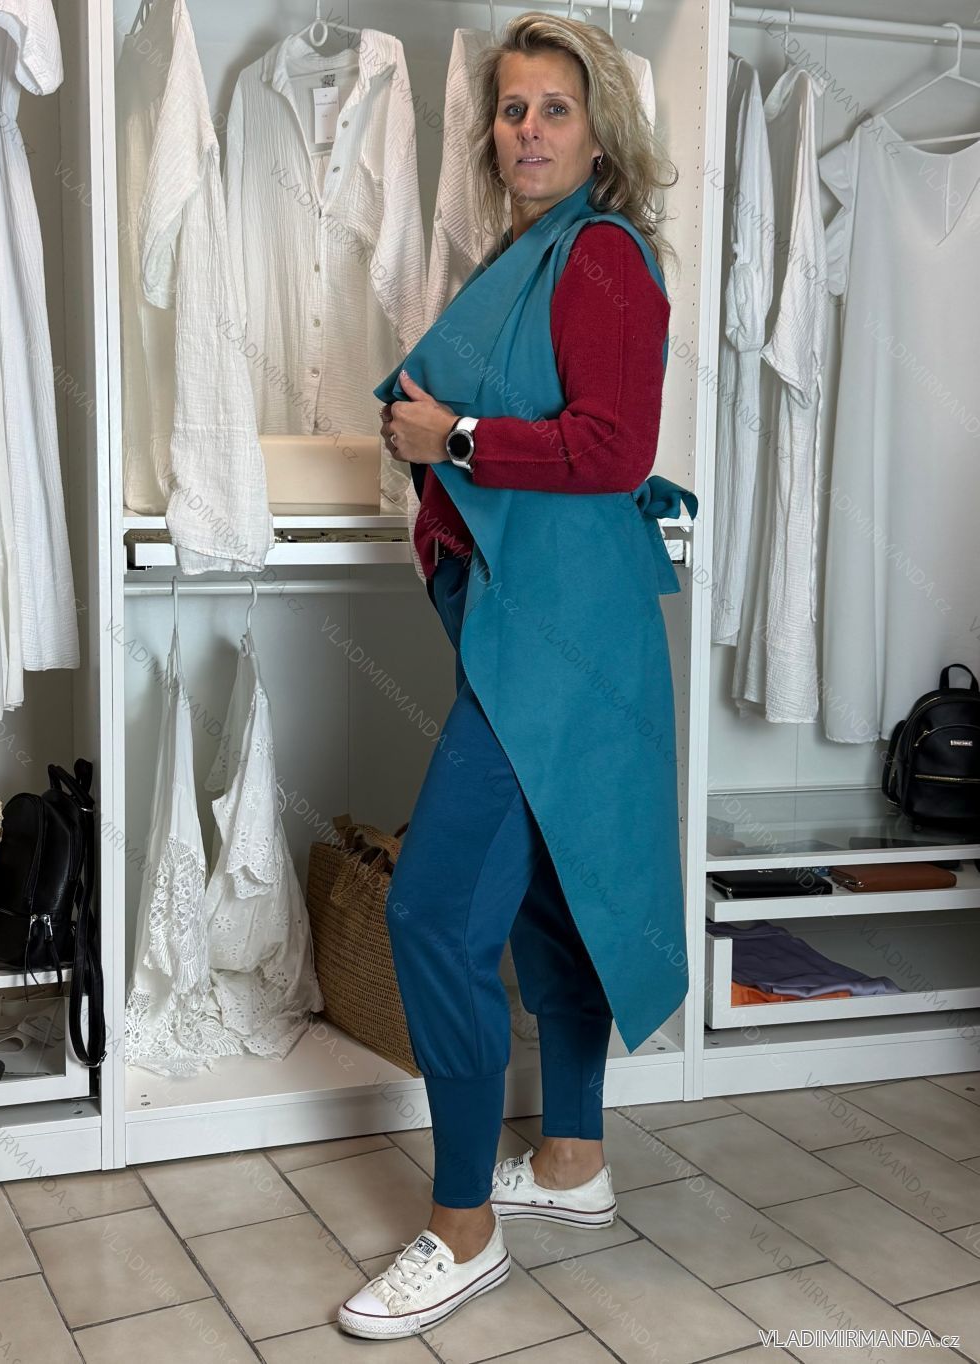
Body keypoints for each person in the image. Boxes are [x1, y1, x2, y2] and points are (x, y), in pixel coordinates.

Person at [337, 10, 691, 1341]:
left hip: (562, 641)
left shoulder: (601, 254)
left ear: (600, 133)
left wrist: (457, 437)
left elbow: (611, 447)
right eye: (511, 109)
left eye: (555, 108)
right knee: (551, 895)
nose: (528, 130)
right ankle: (573, 1160)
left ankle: (462, 1230)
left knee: (434, 912)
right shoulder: (534, 253)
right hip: (549, 623)